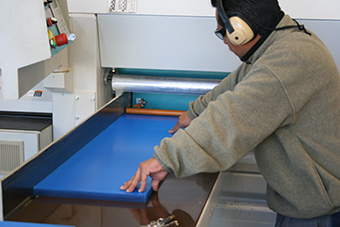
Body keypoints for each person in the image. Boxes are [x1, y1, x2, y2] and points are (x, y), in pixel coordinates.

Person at [121, 0, 340, 226]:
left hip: (319, 214)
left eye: (223, 32)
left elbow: (230, 121)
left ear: (240, 32)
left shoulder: (288, 62)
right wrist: (195, 112)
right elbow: (238, 83)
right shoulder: (287, 43)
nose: (225, 40)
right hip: (313, 201)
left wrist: (165, 160)